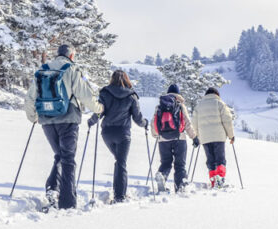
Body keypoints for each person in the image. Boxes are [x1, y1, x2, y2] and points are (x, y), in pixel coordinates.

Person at [24, 44, 103, 209]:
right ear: (71, 56)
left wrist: (33, 117)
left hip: (46, 120)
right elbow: (85, 94)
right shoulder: (72, 69)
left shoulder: (43, 69)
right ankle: (67, 203)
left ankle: (52, 189)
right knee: (67, 159)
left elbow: (31, 95)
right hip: (68, 119)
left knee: (60, 155)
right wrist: (99, 108)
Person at [87, 70, 148, 203]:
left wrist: (91, 121)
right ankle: (120, 196)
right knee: (121, 163)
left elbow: (99, 112)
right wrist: (145, 123)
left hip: (107, 133)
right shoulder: (132, 96)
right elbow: (138, 118)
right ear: (126, 79)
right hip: (123, 134)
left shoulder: (105, 93)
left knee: (119, 161)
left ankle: (118, 191)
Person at [151, 84, 199, 192]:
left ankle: (162, 175)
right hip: (179, 138)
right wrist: (194, 137)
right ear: (178, 94)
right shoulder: (180, 105)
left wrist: (156, 135)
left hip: (163, 139)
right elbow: (187, 123)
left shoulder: (160, 106)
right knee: (180, 164)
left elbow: (154, 122)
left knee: (166, 162)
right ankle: (180, 186)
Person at [191, 87, 235, 188]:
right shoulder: (220, 103)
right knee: (220, 159)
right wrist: (231, 136)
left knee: (210, 160)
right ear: (217, 94)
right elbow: (227, 120)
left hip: (205, 138)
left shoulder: (199, 106)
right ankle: (220, 178)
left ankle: (213, 180)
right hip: (218, 136)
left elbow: (194, 123)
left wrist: (197, 136)